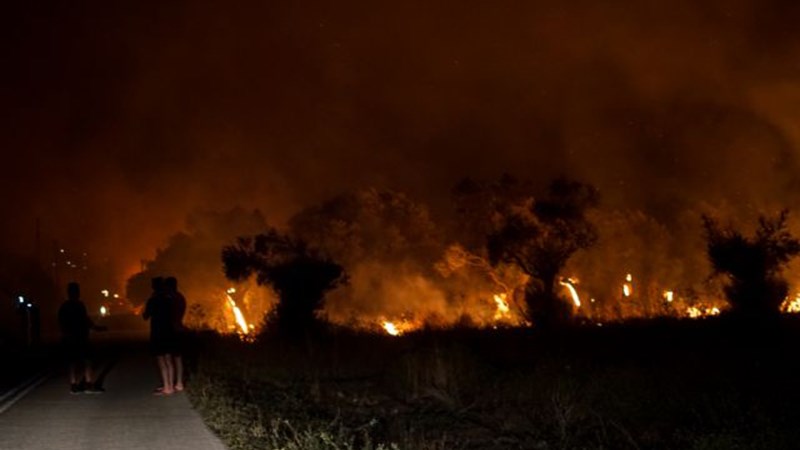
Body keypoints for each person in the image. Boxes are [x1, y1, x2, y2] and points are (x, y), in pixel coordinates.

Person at [58, 282, 105, 394]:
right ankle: (88, 384)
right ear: (77, 293)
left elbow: (61, 322)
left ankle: (73, 385)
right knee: (87, 360)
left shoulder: (64, 306)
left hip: (70, 337)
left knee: (72, 361)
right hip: (80, 336)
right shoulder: (79, 305)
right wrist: (96, 328)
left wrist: (65, 334)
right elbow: (85, 320)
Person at [143, 277, 175, 395]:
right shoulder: (168, 299)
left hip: (157, 331)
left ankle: (166, 387)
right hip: (168, 331)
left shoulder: (152, 300)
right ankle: (171, 386)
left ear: (153, 287)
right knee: (169, 359)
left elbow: (145, 316)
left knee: (161, 360)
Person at [165, 276, 187, 392]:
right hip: (179, 328)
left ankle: (170, 383)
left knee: (169, 357)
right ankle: (179, 383)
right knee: (178, 358)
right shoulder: (180, 297)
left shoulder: (170, 298)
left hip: (171, 330)